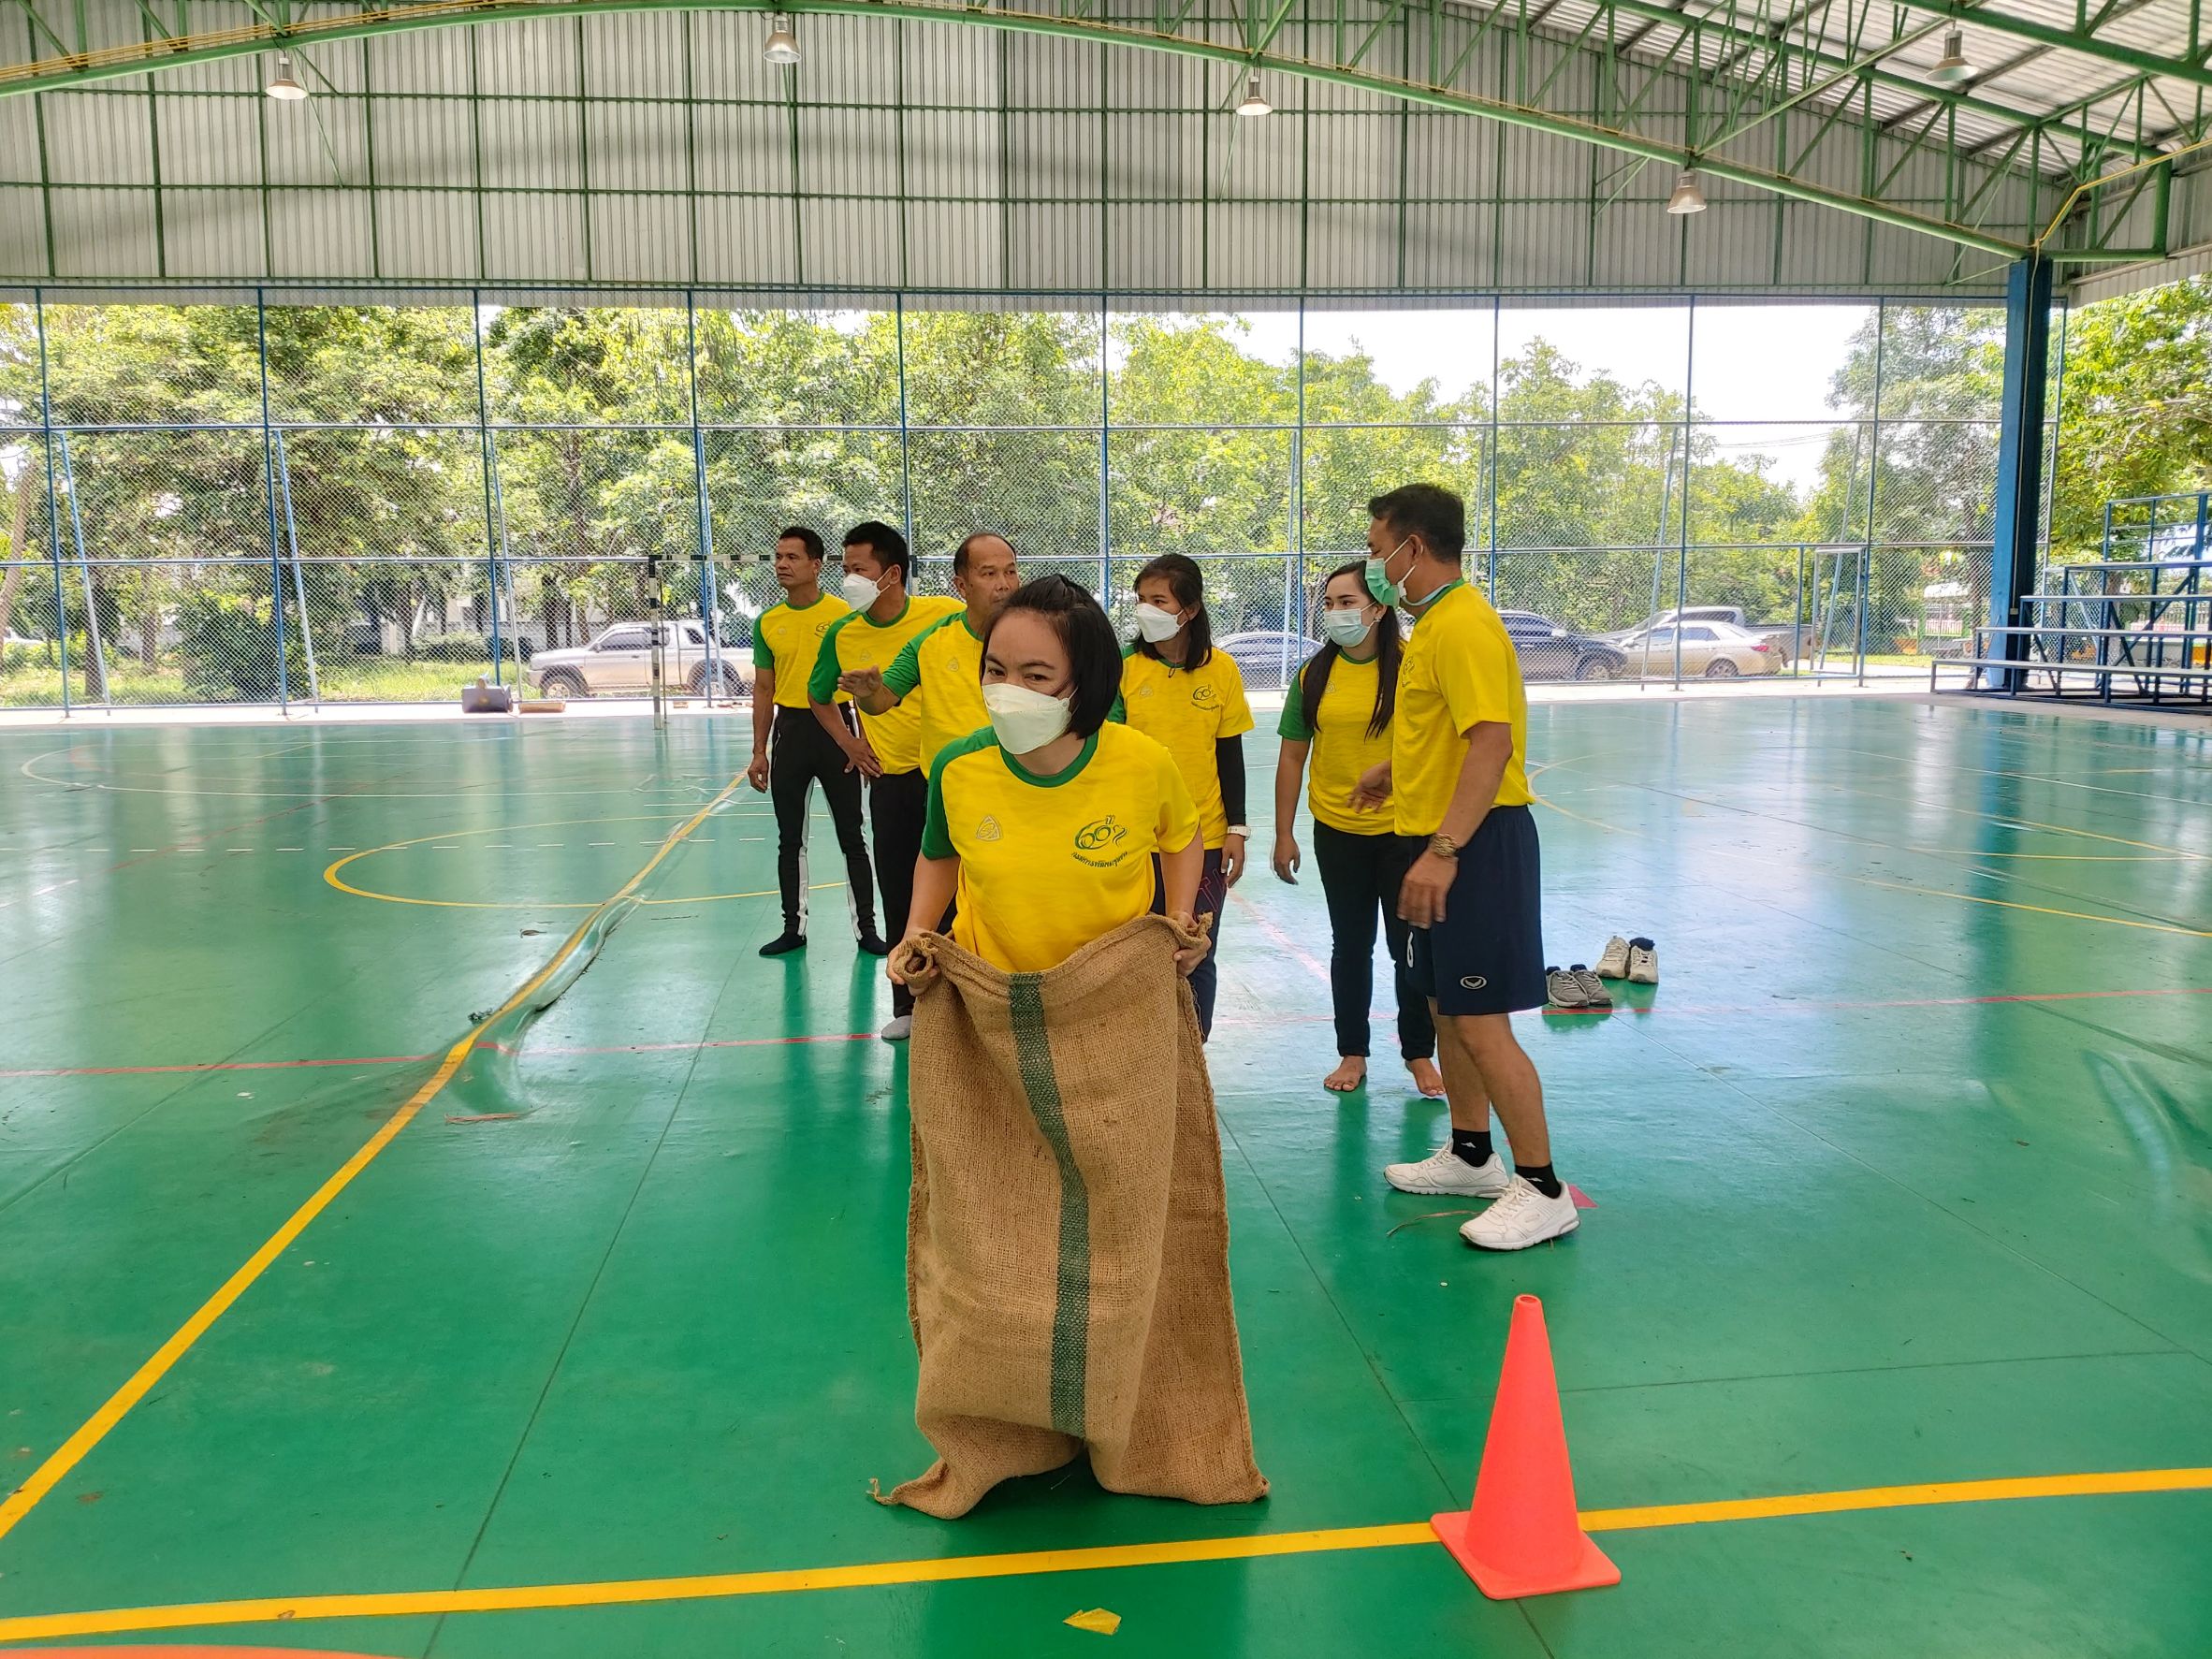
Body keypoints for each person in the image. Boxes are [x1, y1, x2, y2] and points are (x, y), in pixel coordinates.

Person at [1353, 484, 1579, 1252]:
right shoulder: (1437, 625)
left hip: (1475, 848)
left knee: (1482, 1022)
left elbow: (1492, 743)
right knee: (1449, 1007)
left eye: (1380, 545)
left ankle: (1544, 1186)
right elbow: (1450, 732)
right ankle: (1473, 1153)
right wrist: (1397, 766)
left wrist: (1445, 851)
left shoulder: (1465, 627)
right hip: (1438, 837)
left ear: (1415, 546)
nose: (1375, 561)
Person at [891, 574, 1207, 982]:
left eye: (1036, 676)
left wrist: (1179, 913)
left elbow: (1182, 836)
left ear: (1087, 681)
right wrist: (918, 927)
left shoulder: (1144, 762)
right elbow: (940, 853)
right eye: (995, 670)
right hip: (993, 990)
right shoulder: (956, 766)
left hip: (1113, 986)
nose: (1008, 691)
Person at [1272, 562, 1444, 1099]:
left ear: (1379, 606)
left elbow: (1437, 743)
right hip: (1337, 832)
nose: (1335, 612)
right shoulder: (1312, 675)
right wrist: (1284, 833)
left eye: (1346, 601)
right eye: (1329, 602)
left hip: (1403, 831)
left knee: (1408, 945)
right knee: (1350, 945)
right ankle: (1353, 1052)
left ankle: (1419, 1054)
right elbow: (1292, 757)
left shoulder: (1414, 666)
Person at [809, 521, 964, 1042]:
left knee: (968, 895)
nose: (848, 579)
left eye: (858, 569)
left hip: (956, 778)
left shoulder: (943, 616)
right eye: (845, 569)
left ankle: (969, 1003)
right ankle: (910, 1004)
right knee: (902, 894)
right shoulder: (843, 632)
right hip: (894, 781)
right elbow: (818, 695)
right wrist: (852, 745)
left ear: (892, 574)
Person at [1119, 553, 1252, 1040]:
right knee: (1138, 950)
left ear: (1189, 610)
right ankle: (1143, 1053)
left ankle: (1192, 1051)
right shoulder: (1125, 670)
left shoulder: (1222, 670)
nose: (1145, 610)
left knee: (1195, 949)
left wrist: (1236, 829)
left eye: (1158, 600)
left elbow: (1230, 755)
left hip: (1204, 837)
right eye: (1141, 600)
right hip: (1134, 838)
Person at [747, 528, 886, 960]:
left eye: (792, 557)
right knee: (791, 838)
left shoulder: (845, 614)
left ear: (816, 564)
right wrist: (759, 751)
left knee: (852, 835)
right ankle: (794, 927)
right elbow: (763, 690)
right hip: (791, 732)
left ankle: (867, 930)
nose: (782, 564)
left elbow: (861, 683)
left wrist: (860, 742)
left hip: (837, 731)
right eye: (778, 556)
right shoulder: (768, 622)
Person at [841, 532, 1020, 779]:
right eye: (989, 574)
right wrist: (869, 693)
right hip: (951, 787)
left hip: (1018, 782)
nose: (1004, 584)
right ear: (961, 586)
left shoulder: (1042, 639)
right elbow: (881, 701)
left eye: (1010, 572)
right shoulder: (929, 642)